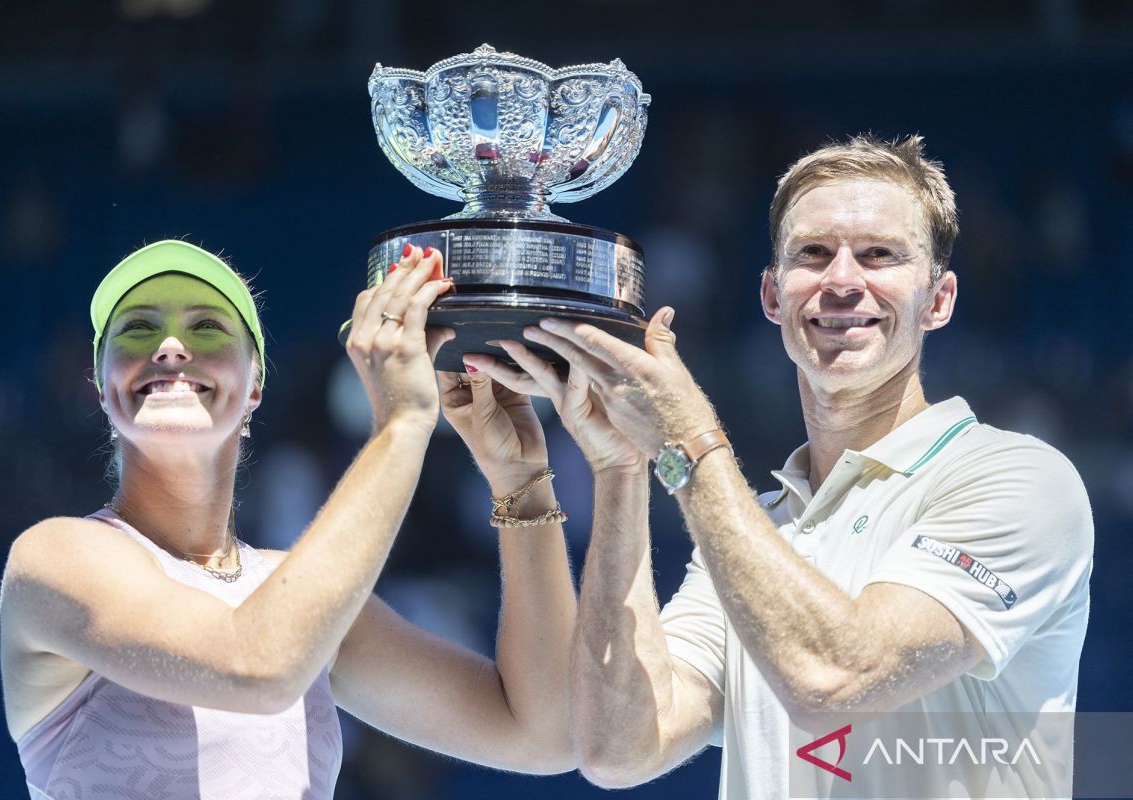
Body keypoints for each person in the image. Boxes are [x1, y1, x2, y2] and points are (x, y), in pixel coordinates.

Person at [464, 134, 1093, 798]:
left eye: (879, 255)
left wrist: (687, 437)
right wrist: (620, 468)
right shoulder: (753, 536)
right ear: (772, 296)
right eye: (812, 255)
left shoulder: (1022, 479)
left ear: (939, 300)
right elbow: (620, 747)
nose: (843, 280)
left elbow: (834, 679)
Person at [0, 239, 577, 798]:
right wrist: (401, 424)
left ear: (255, 387)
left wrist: (517, 478)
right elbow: (257, 668)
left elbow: (541, 735)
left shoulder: (309, 602)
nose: (171, 346)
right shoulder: (56, 558)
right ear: (102, 387)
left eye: (206, 327)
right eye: (138, 328)